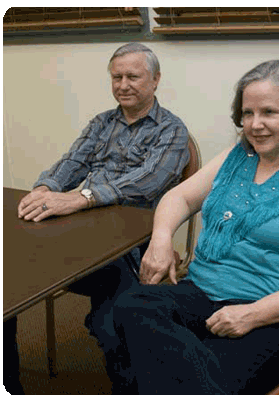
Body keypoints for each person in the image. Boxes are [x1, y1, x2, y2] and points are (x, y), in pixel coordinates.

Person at [87, 60, 279, 395]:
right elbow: (179, 198)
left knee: (142, 351)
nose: (255, 125)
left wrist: (251, 315)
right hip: (203, 292)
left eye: (269, 112)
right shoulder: (237, 156)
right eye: (247, 113)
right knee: (130, 305)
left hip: (273, 313)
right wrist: (162, 239)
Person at [5, 43, 189, 395]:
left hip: (134, 242)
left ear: (155, 80)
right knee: (10, 279)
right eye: (116, 77)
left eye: (133, 76)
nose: (123, 84)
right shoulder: (102, 122)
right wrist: (46, 187)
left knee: (113, 321)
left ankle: (129, 384)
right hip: (82, 228)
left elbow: (147, 181)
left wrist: (81, 198)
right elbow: (73, 163)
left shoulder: (171, 130)